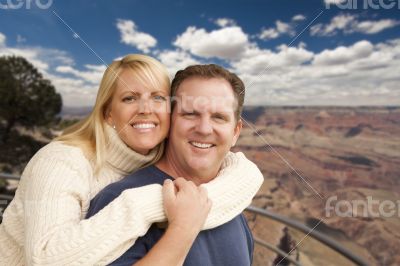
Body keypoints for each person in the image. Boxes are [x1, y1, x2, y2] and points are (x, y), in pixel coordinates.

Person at [0, 55, 264, 265]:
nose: (146, 109)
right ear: (108, 114)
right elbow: (45, 259)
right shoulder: (65, 164)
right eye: (129, 98)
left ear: (236, 132)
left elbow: (241, 172)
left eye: (158, 98)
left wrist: (248, 175)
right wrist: (164, 212)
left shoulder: (227, 202)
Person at [87, 64, 255, 265]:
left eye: (219, 117)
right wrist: (182, 228)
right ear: (170, 120)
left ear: (235, 132)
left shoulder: (230, 205)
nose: (203, 129)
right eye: (190, 114)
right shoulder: (118, 200)